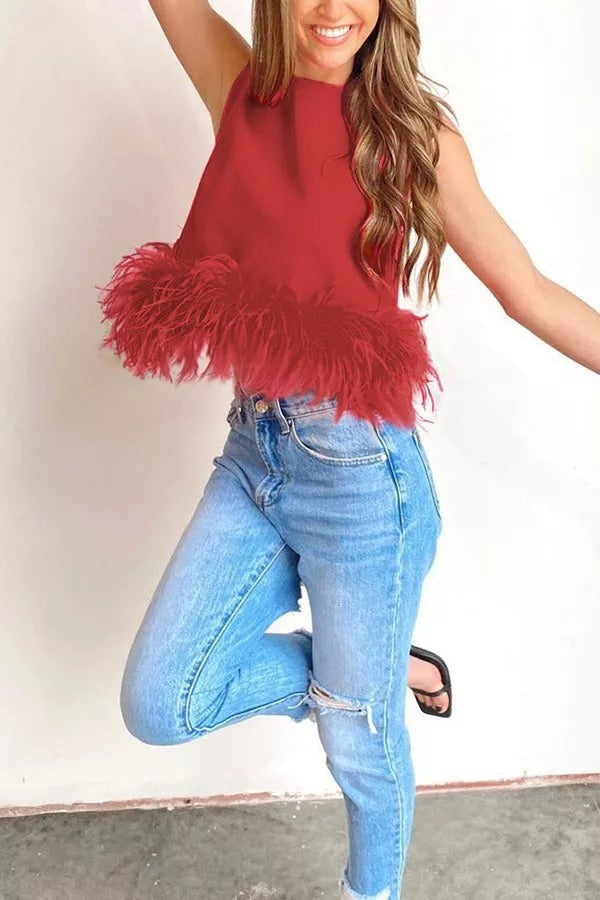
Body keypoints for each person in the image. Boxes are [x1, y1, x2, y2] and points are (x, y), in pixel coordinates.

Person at [96, 2, 600, 897]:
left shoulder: (415, 134)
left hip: (361, 479)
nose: (333, 8)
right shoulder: (238, 84)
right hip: (254, 458)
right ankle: (367, 674)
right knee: (160, 701)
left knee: (361, 749)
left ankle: (370, 856)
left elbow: (527, 290)